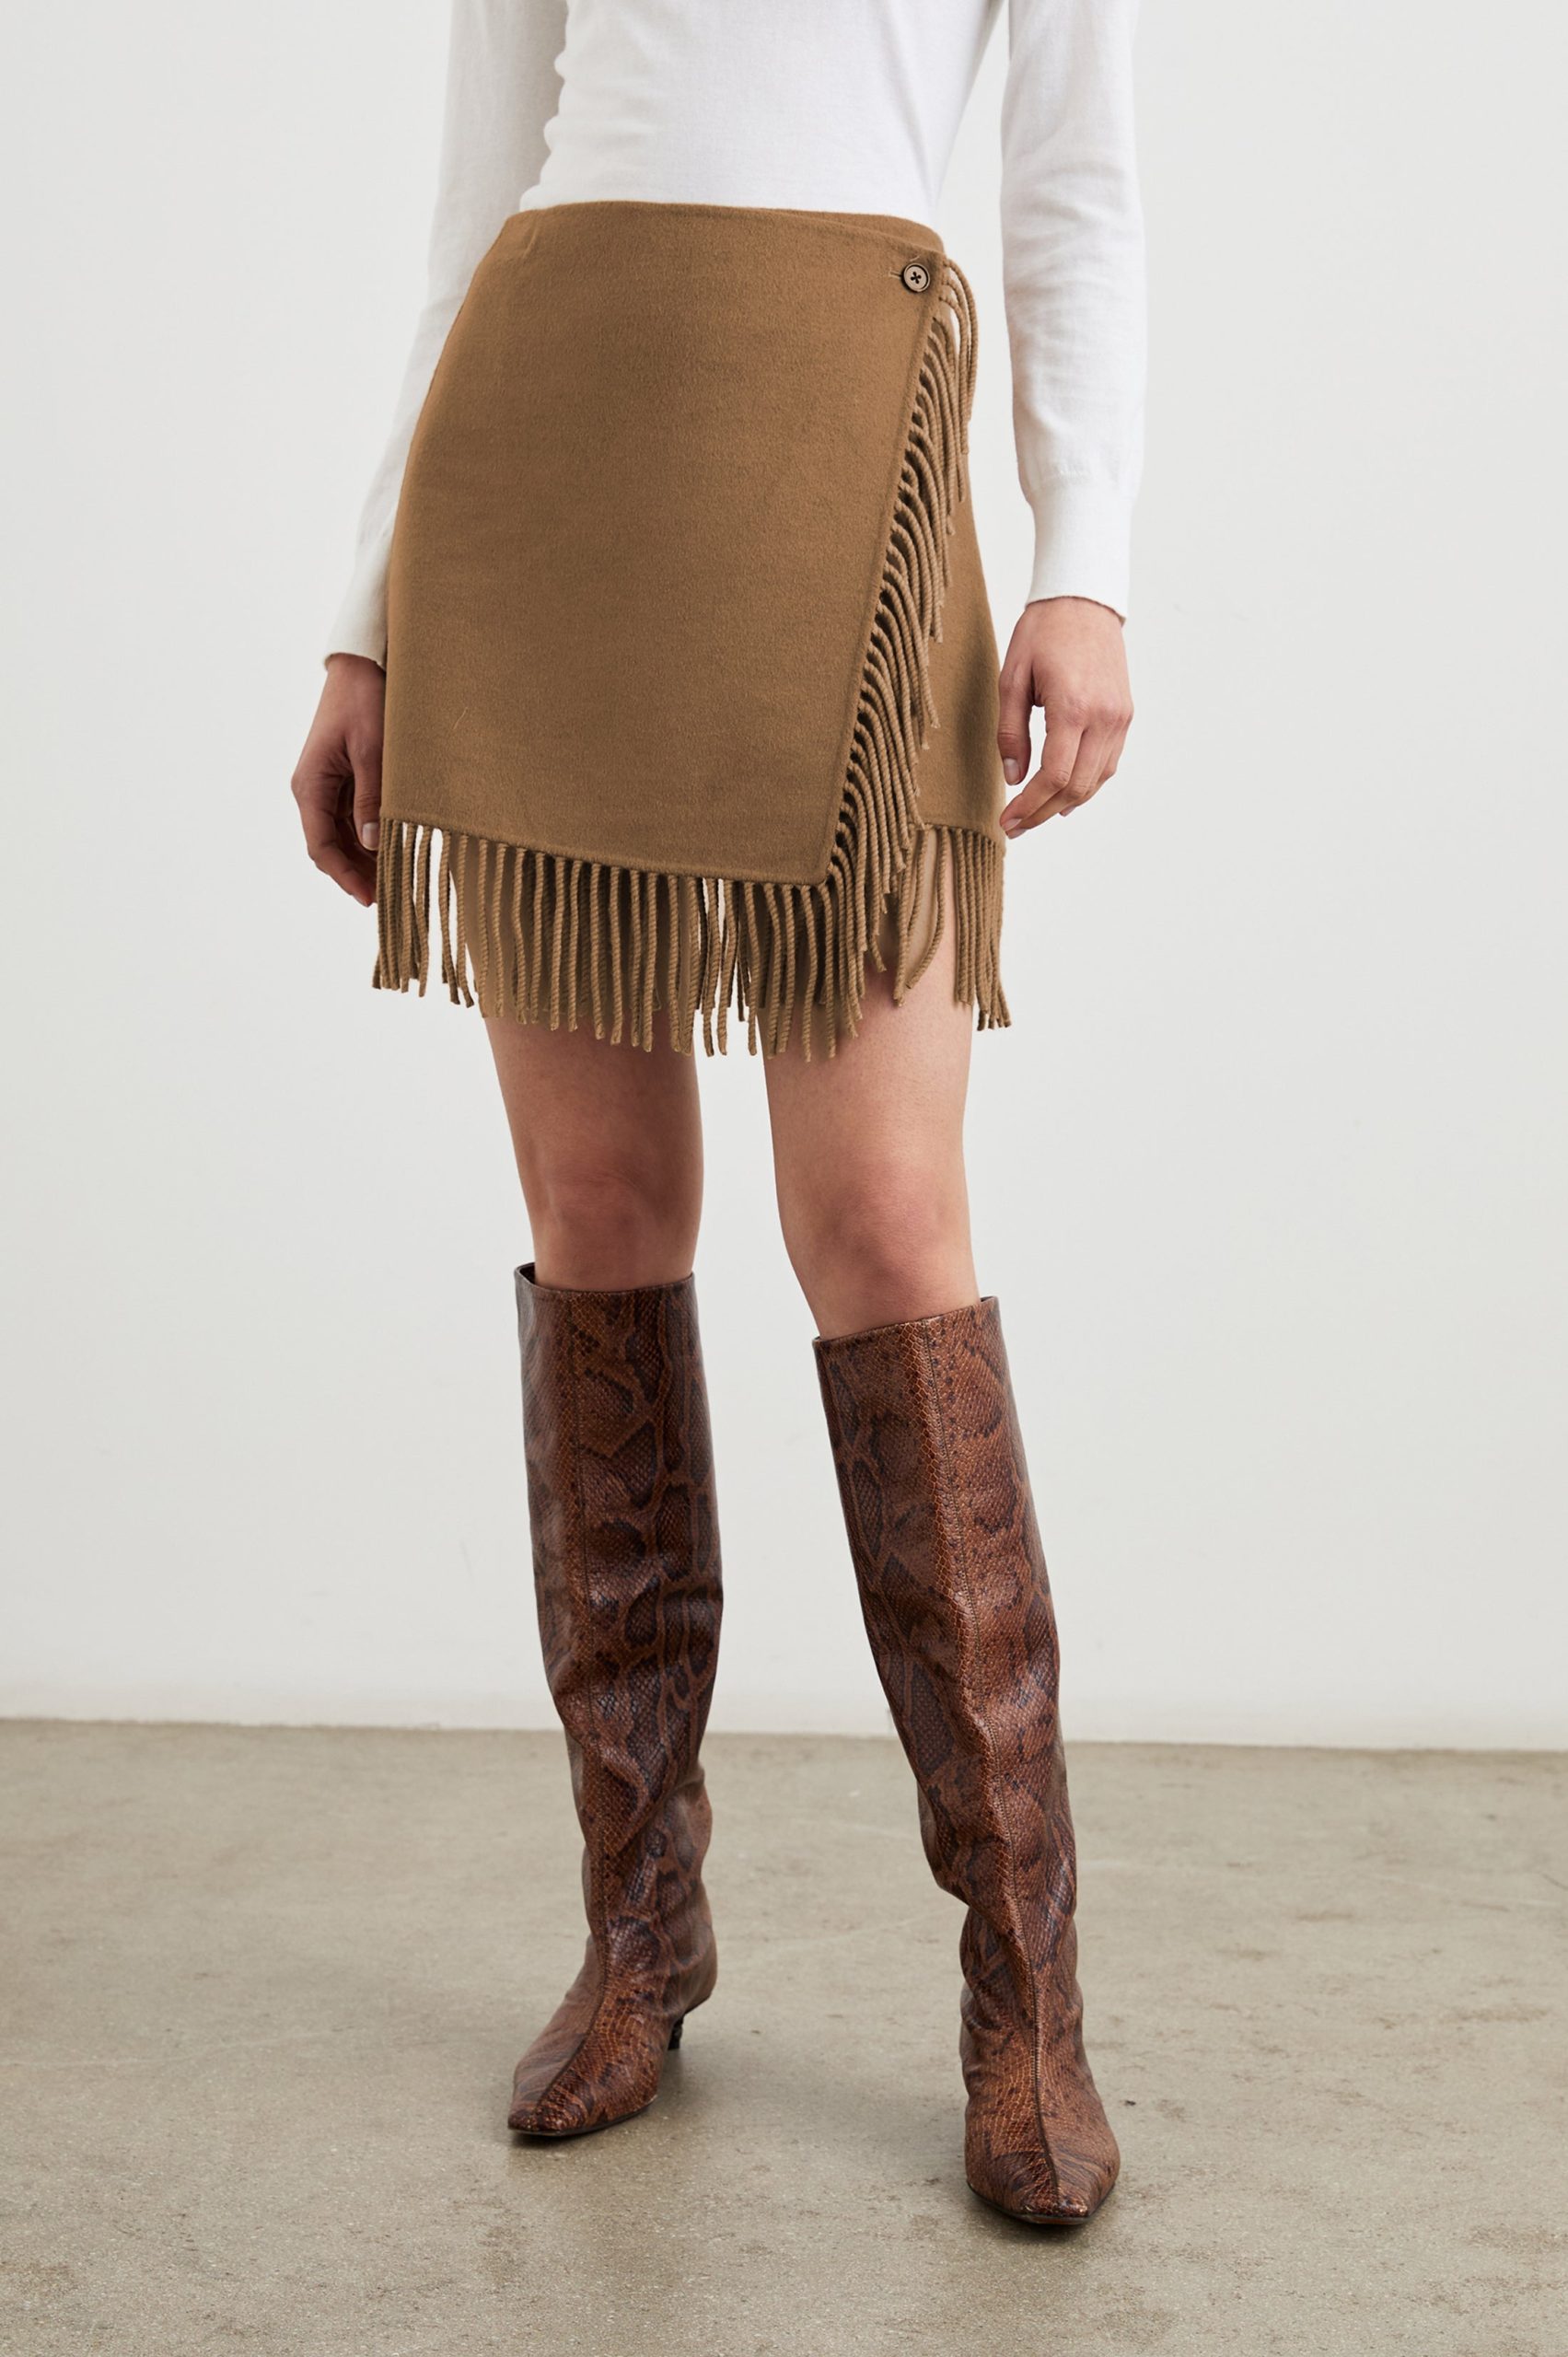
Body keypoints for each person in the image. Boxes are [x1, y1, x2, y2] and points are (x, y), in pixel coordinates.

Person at [291, 0, 1144, 2225]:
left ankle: (1028, 1995)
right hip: (544, 475)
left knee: (884, 1220)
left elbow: (1074, 187)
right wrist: (366, 624)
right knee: (598, 1201)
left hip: (853, 474)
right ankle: (638, 1934)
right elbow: (478, 204)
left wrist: (1084, 557)